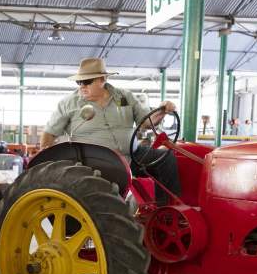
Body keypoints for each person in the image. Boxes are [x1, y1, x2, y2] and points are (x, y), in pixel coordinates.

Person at [40, 58, 181, 205]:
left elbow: (146, 122)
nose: (82, 86)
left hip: (132, 156)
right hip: (96, 163)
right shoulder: (68, 103)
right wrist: (44, 161)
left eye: (87, 81)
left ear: (102, 79)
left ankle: (165, 210)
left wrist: (163, 110)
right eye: (79, 82)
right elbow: (49, 133)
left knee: (166, 158)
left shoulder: (125, 97)